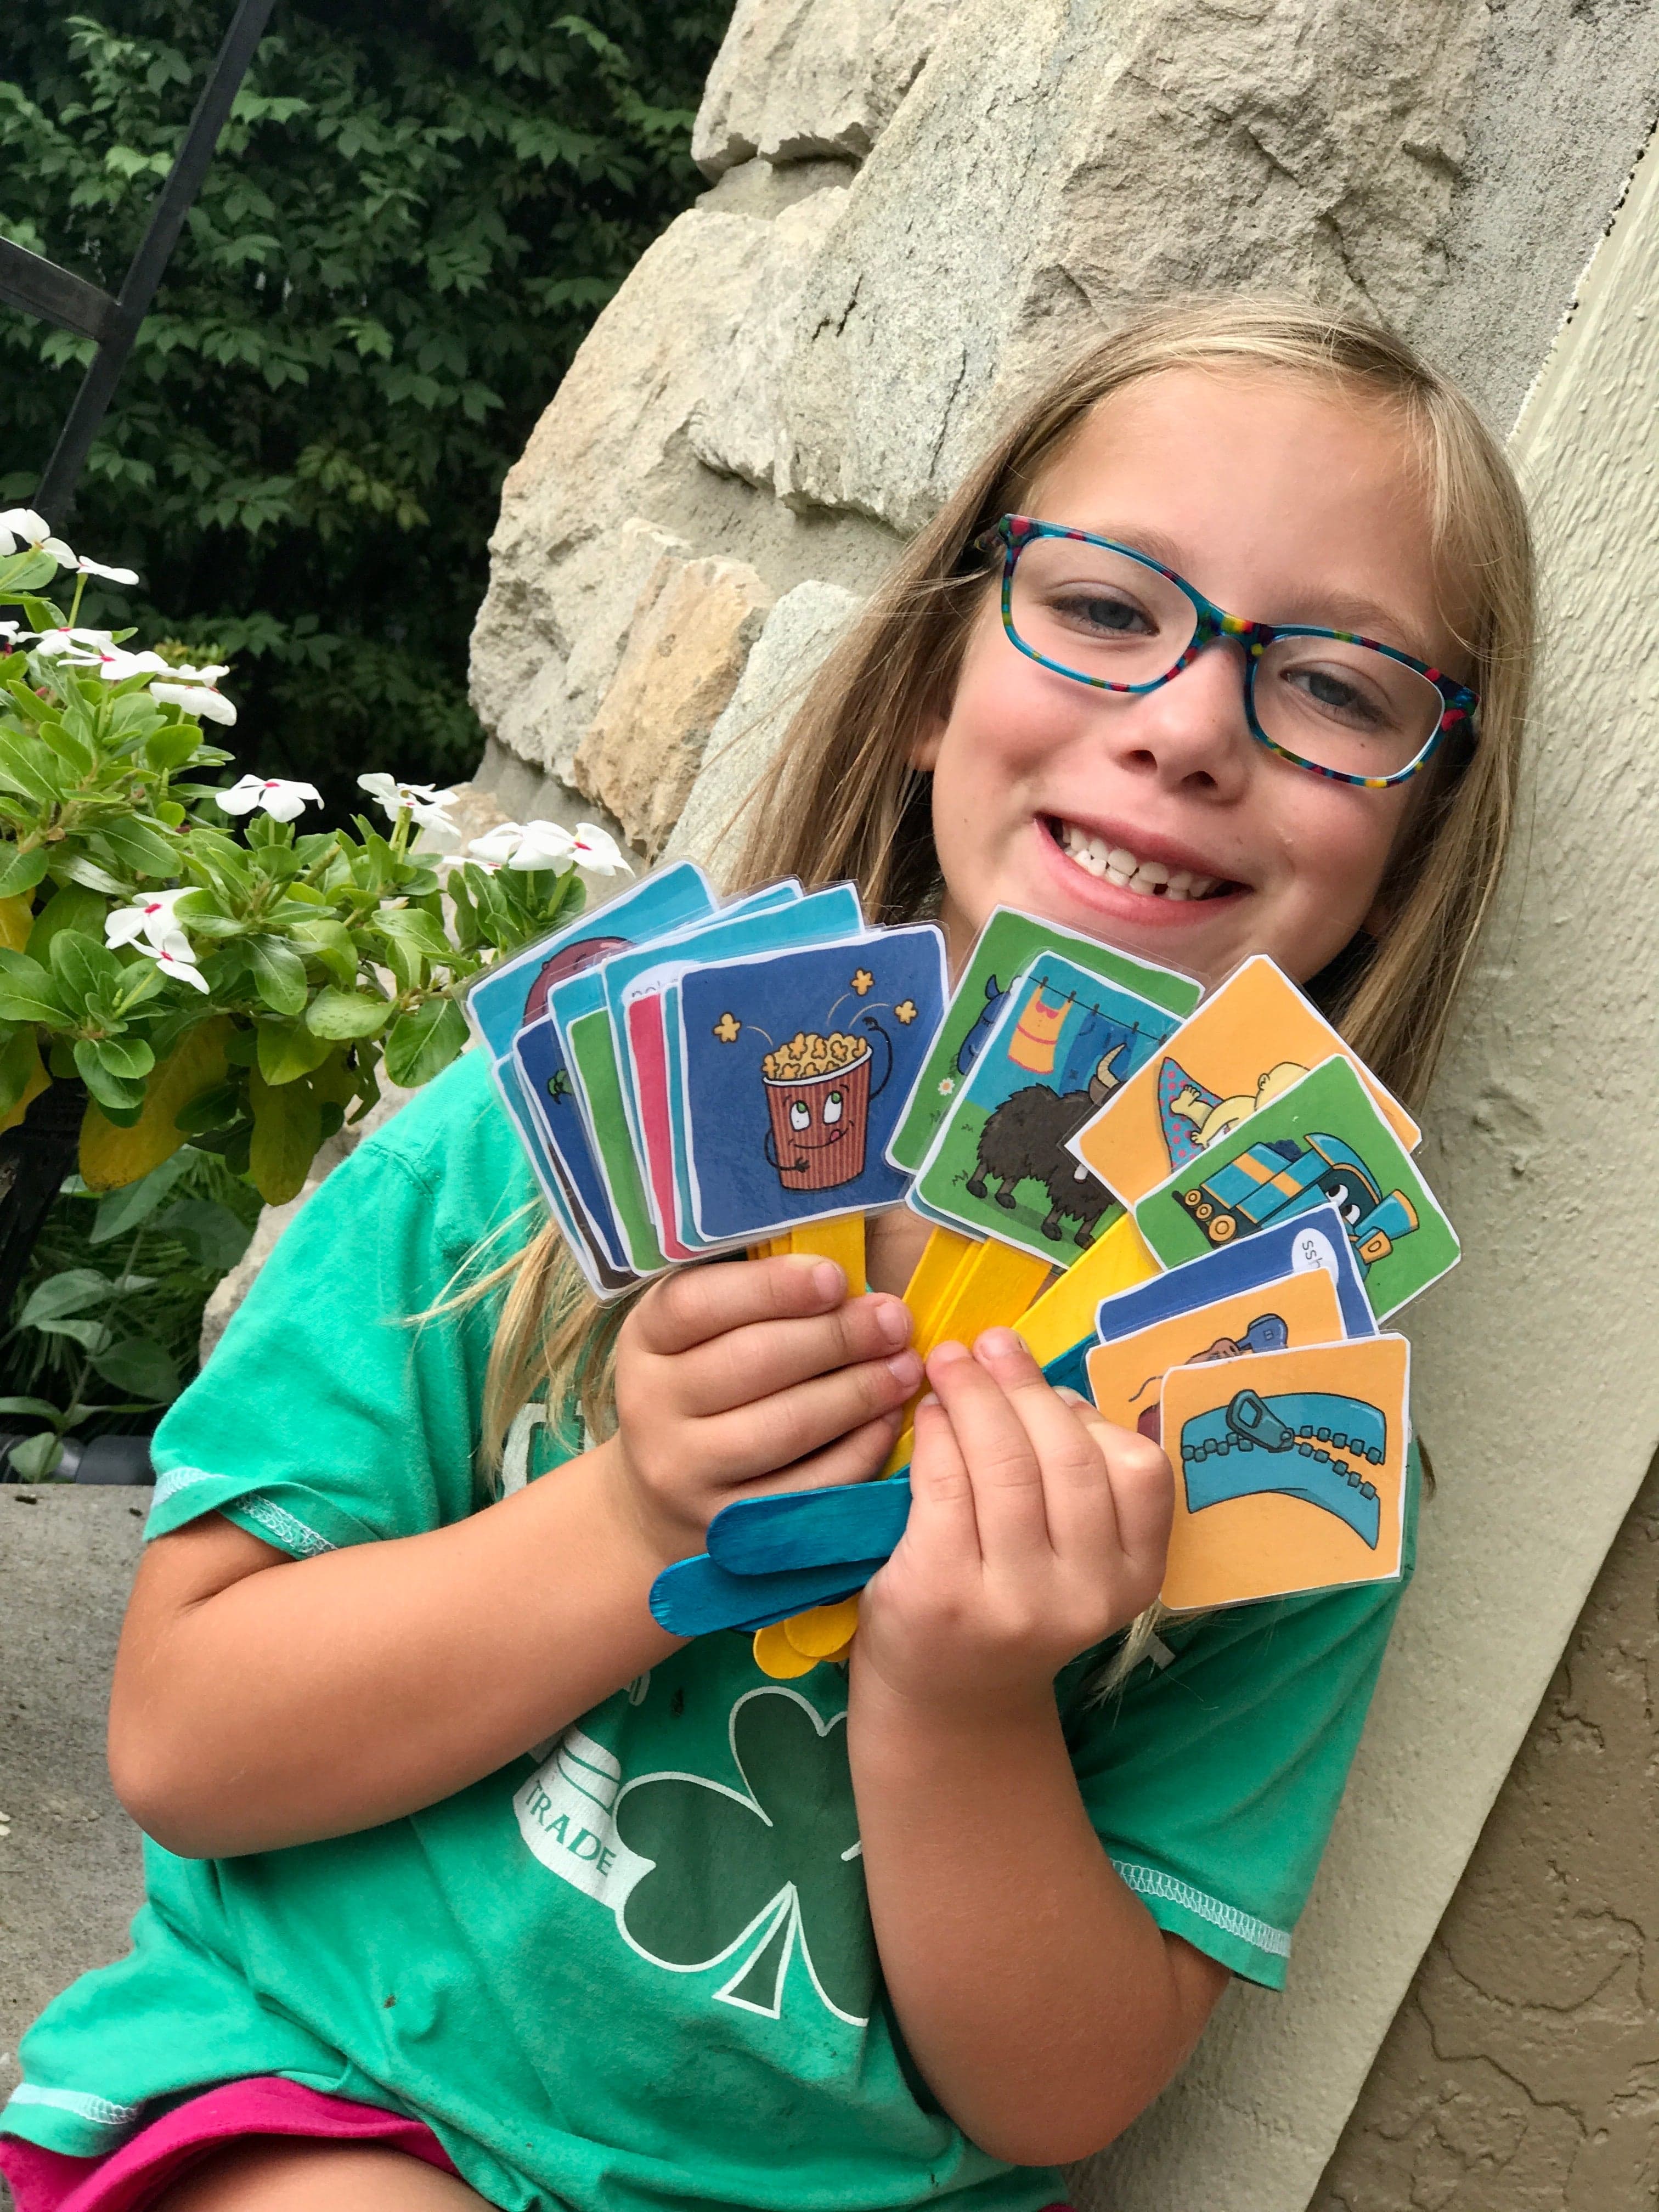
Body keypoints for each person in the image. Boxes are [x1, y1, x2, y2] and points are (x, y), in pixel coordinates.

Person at [0, 297, 1533, 2212]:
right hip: (321, 2092)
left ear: (1416, 835)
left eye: (1340, 689)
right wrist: (641, 1520)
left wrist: (964, 1705)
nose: (1189, 726)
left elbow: (1060, 2096)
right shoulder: (540, 1148)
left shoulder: (1285, 1433)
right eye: (1104, 605)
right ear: (933, 677)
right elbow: (187, 1740)